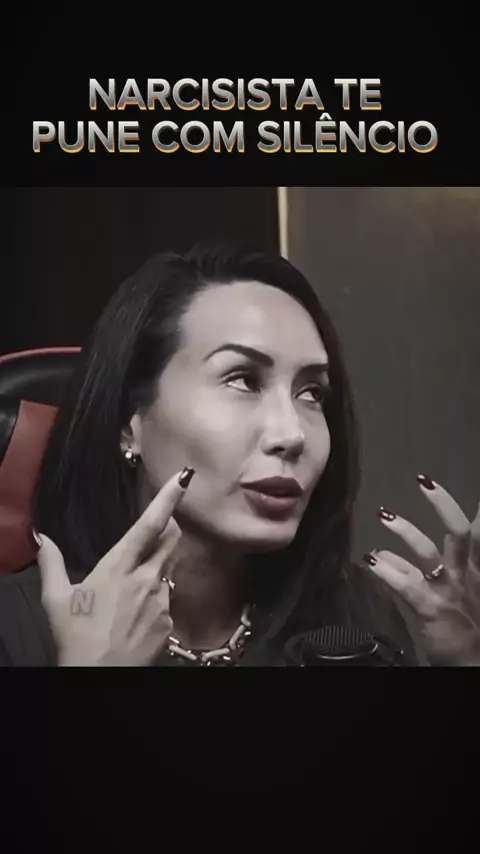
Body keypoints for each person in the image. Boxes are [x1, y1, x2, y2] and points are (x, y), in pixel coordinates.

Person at [1, 240, 479, 666]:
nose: (292, 434)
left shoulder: (357, 615)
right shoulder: (15, 630)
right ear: (130, 423)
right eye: (243, 380)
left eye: (311, 393)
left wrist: (465, 658)